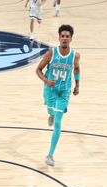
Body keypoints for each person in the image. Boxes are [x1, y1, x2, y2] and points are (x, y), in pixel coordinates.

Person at [36, 24, 80, 167]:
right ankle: (51, 113)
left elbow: (77, 69)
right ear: (59, 38)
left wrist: (77, 85)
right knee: (50, 110)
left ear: (71, 39)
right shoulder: (51, 53)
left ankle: (50, 155)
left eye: (67, 36)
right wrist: (46, 80)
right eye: (63, 36)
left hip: (64, 91)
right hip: (50, 90)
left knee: (58, 123)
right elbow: (38, 70)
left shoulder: (75, 56)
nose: (65, 38)